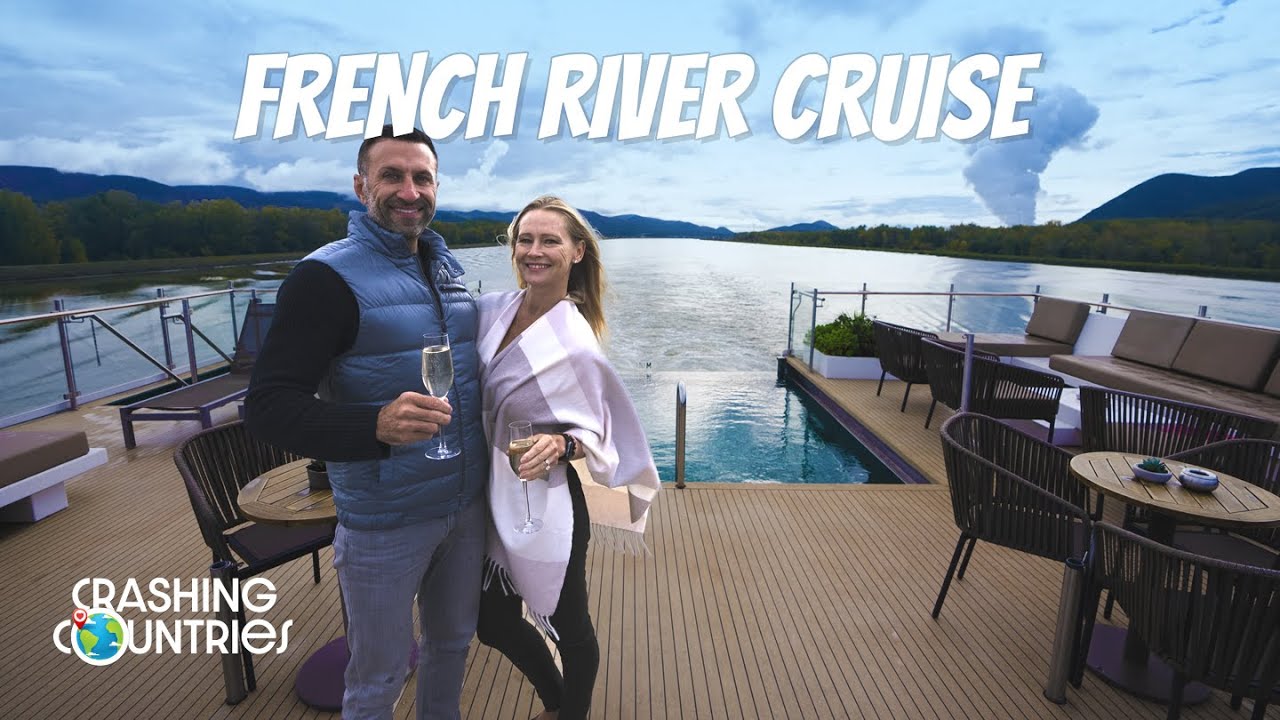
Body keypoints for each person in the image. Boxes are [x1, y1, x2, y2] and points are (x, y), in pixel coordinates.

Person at [244, 124, 488, 720]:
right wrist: (372, 425)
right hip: (384, 521)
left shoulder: (445, 269)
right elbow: (268, 407)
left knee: (452, 645)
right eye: (392, 176)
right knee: (377, 677)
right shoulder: (323, 278)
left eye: (422, 177)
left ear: (436, 187)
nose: (410, 190)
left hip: (464, 507)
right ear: (361, 187)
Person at [473, 195, 661, 720]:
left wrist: (562, 443)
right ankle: (558, 701)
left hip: (544, 501)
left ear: (577, 252)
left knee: (568, 626)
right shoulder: (492, 314)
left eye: (549, 240)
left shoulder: (574, 344)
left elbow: (605, 430)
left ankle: (570, 712)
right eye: (525, 239)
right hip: (484, 493)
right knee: (491, 622)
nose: (534, 250)